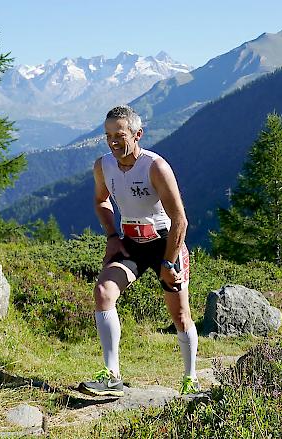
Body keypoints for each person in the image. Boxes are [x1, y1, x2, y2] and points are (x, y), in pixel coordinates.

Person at [78, 105, 199, 397]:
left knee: (180, 315)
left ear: (137, 134)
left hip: (164, 244)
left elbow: (180, 219)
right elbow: (100, 201)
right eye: (108, 136)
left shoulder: (155, 166)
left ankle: (191, 378)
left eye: (119, 135)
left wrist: (169, 263)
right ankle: (111, 375)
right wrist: (111, 235)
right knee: (104, 293)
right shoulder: (103, 166)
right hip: (131, 243)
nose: (113, 142)